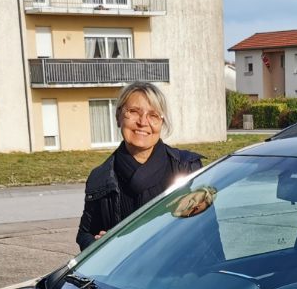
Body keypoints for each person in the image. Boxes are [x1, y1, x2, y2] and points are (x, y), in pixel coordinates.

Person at [76, 82, 203, 250]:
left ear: (162, 122)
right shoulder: (100, 177)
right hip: (123, 265)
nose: (143, 122)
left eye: (153, 115)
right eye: (134, 111)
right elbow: (85, 234)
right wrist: (101, 246)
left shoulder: (187, 168)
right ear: (118, 116)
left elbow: (207, 233)